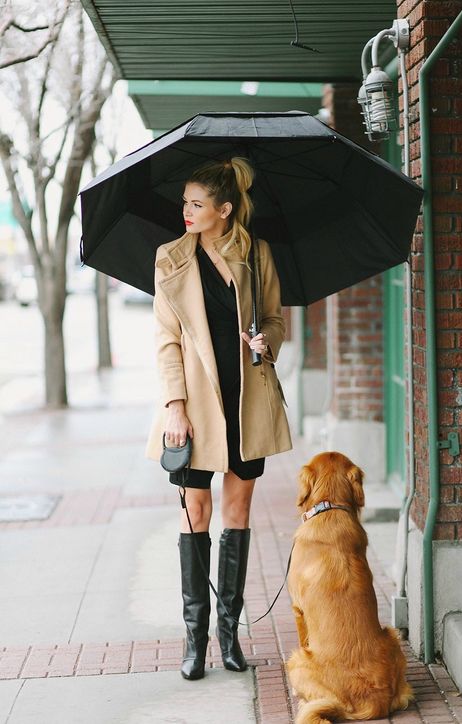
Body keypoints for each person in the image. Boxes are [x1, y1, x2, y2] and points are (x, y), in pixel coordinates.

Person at [146, 157, 292, 680]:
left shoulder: (257, 255)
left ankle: (229, 636)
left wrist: (265, 341)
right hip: (194, 407)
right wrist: (175, 408)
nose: (186, 212)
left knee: (238, 510)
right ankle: (196, 640)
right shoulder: (170, 259)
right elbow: (166, 340)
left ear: (224, 210)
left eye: (197, 204)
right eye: (185, 203)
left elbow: (276, 319)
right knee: (196, 513)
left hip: (246, 399)